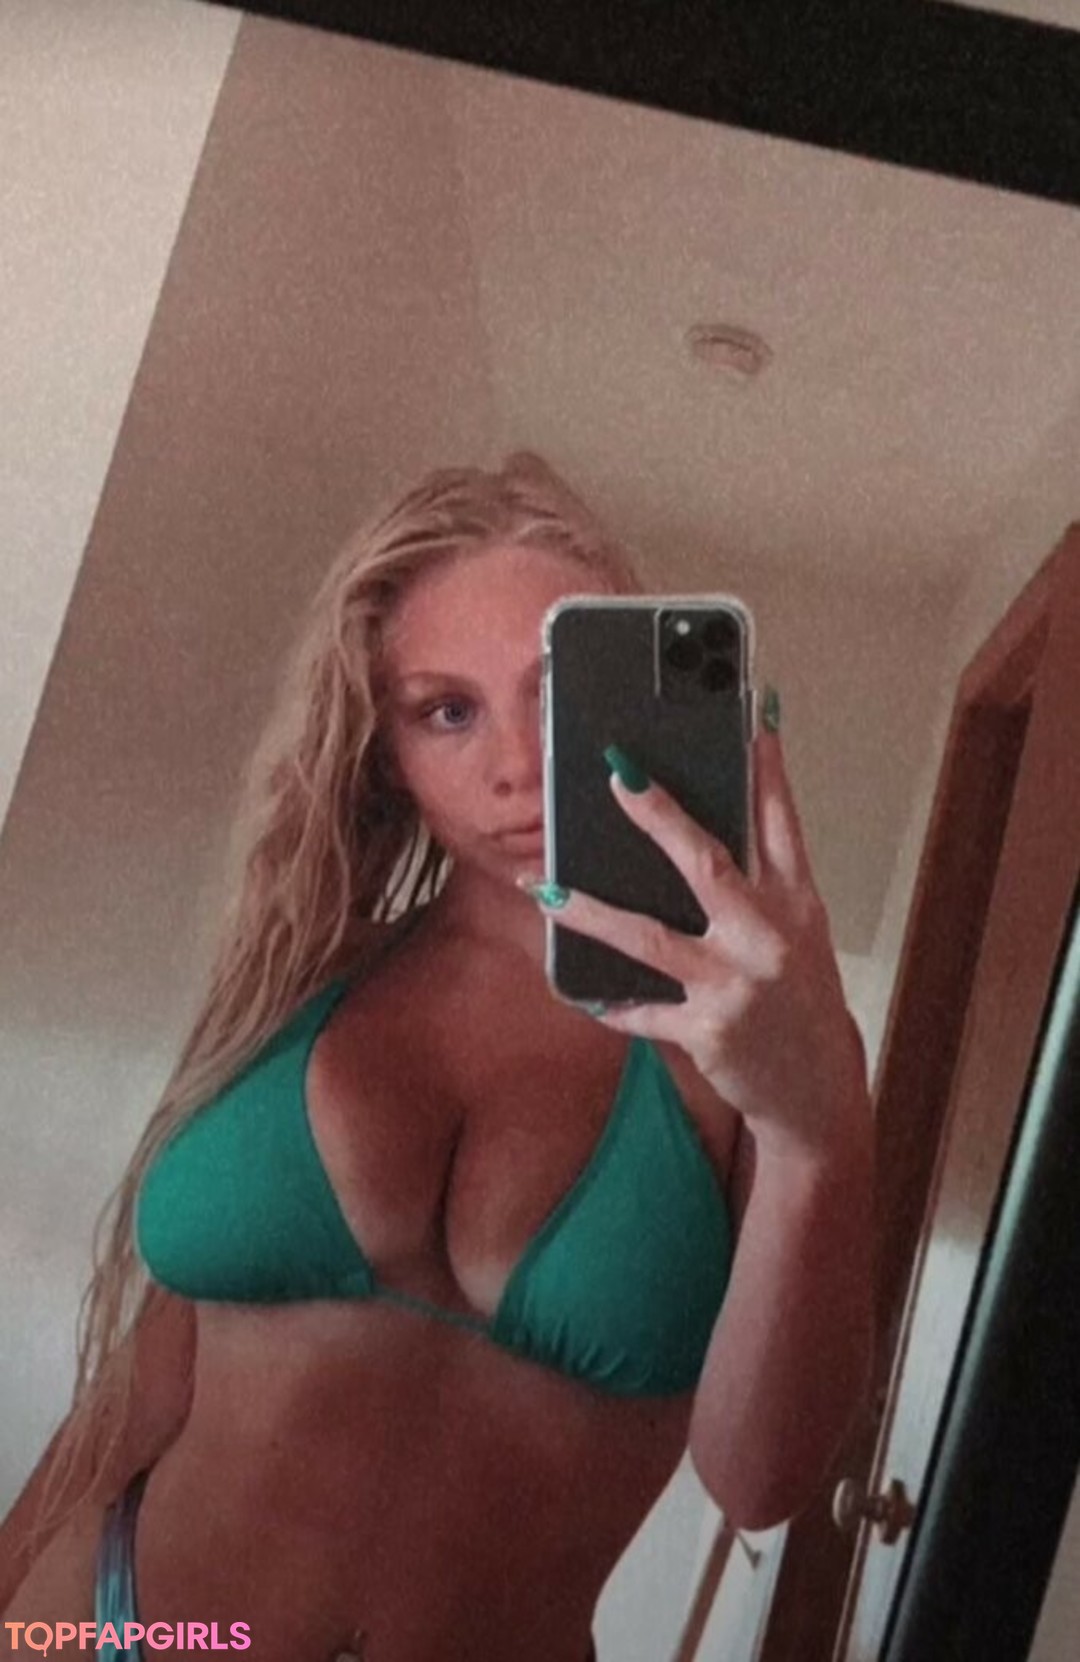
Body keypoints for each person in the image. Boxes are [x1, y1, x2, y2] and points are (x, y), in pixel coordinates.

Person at [0, 454, 874, 1662]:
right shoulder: (305, 973)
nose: (515, 767)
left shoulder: (747, 1050)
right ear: (385, 751)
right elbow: (136, 1404)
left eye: (556, 695)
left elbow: (761, 1481)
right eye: (446, 711)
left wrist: (811, 1127)